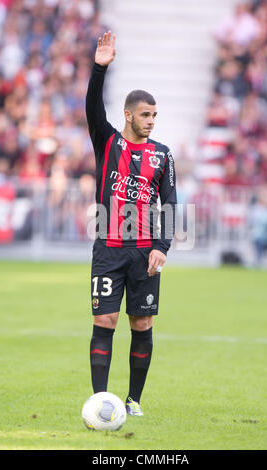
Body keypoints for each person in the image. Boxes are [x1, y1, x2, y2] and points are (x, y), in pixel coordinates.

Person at [85, 31, 177, 416]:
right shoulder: (107, 141)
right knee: (104, 318)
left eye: (154, 115)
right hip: (108, 245)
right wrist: (99, 69)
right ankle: (100, 400)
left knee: (141, 323)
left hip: (144, 250)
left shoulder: (162, 154)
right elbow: (91, 107)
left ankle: (134, 400)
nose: (151, 121)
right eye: (145, 114)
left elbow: (170, 202)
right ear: (128, 115)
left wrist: (162, 246)